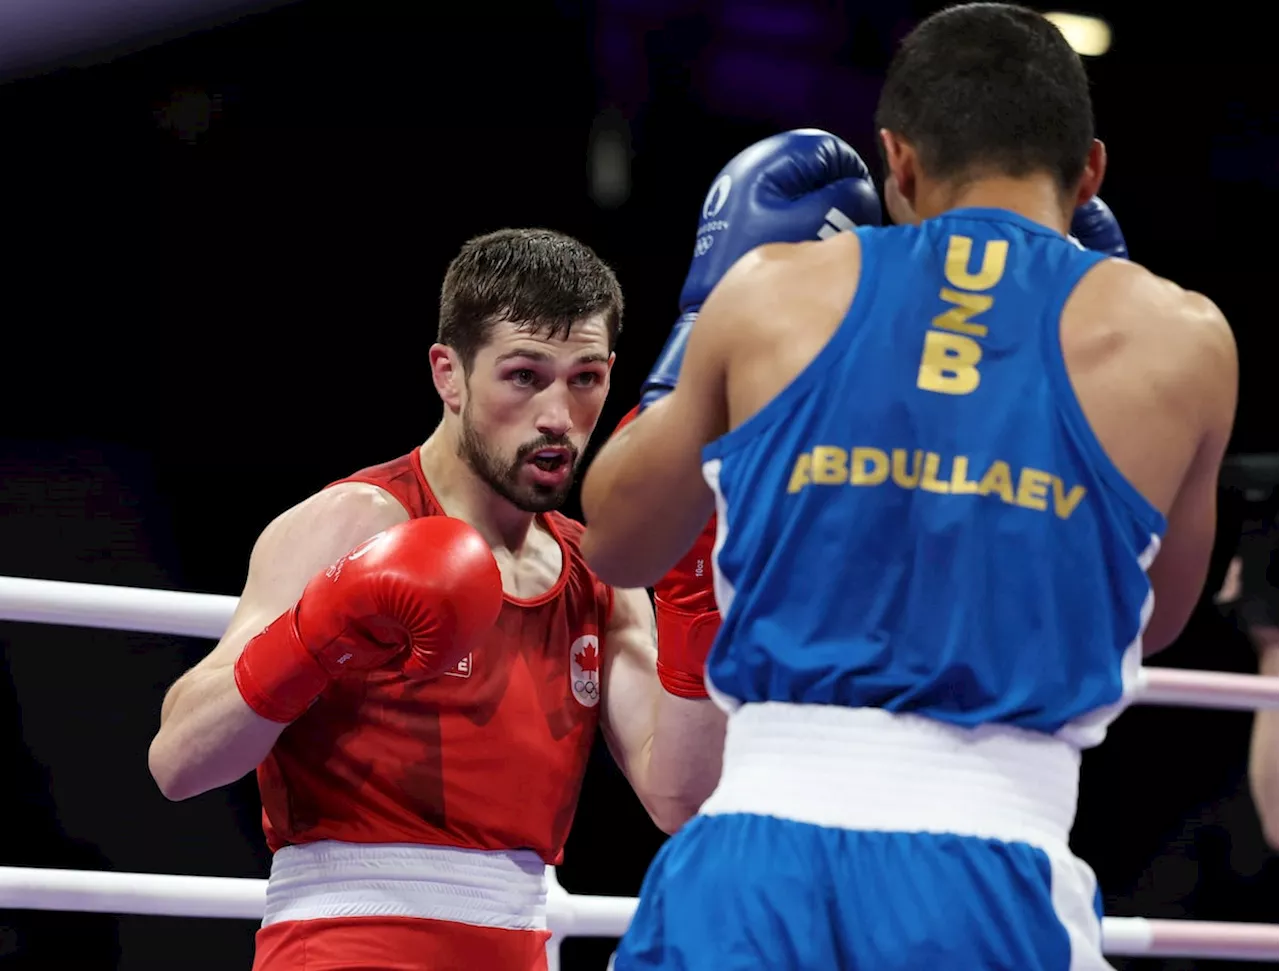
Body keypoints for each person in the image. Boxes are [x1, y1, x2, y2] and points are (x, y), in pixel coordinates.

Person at [579, 3, 1239, 969]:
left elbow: (619, 541)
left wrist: (695, 340)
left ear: (896, 164)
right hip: (989, 872)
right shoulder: (1180, 339)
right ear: (1089, 170)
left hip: (751, 867)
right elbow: (1154, 619)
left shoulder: (769, 292)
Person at [146, 227, 727, 971]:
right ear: (448, 375)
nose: (557, 414)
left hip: (518, 948)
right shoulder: (356, 520)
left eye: (584, 378)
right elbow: (177, 762)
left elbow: (680, 799)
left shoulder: (598, 572)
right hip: (340, 946)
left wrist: (695, 594)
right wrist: (319, 627)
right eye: (524, 376)